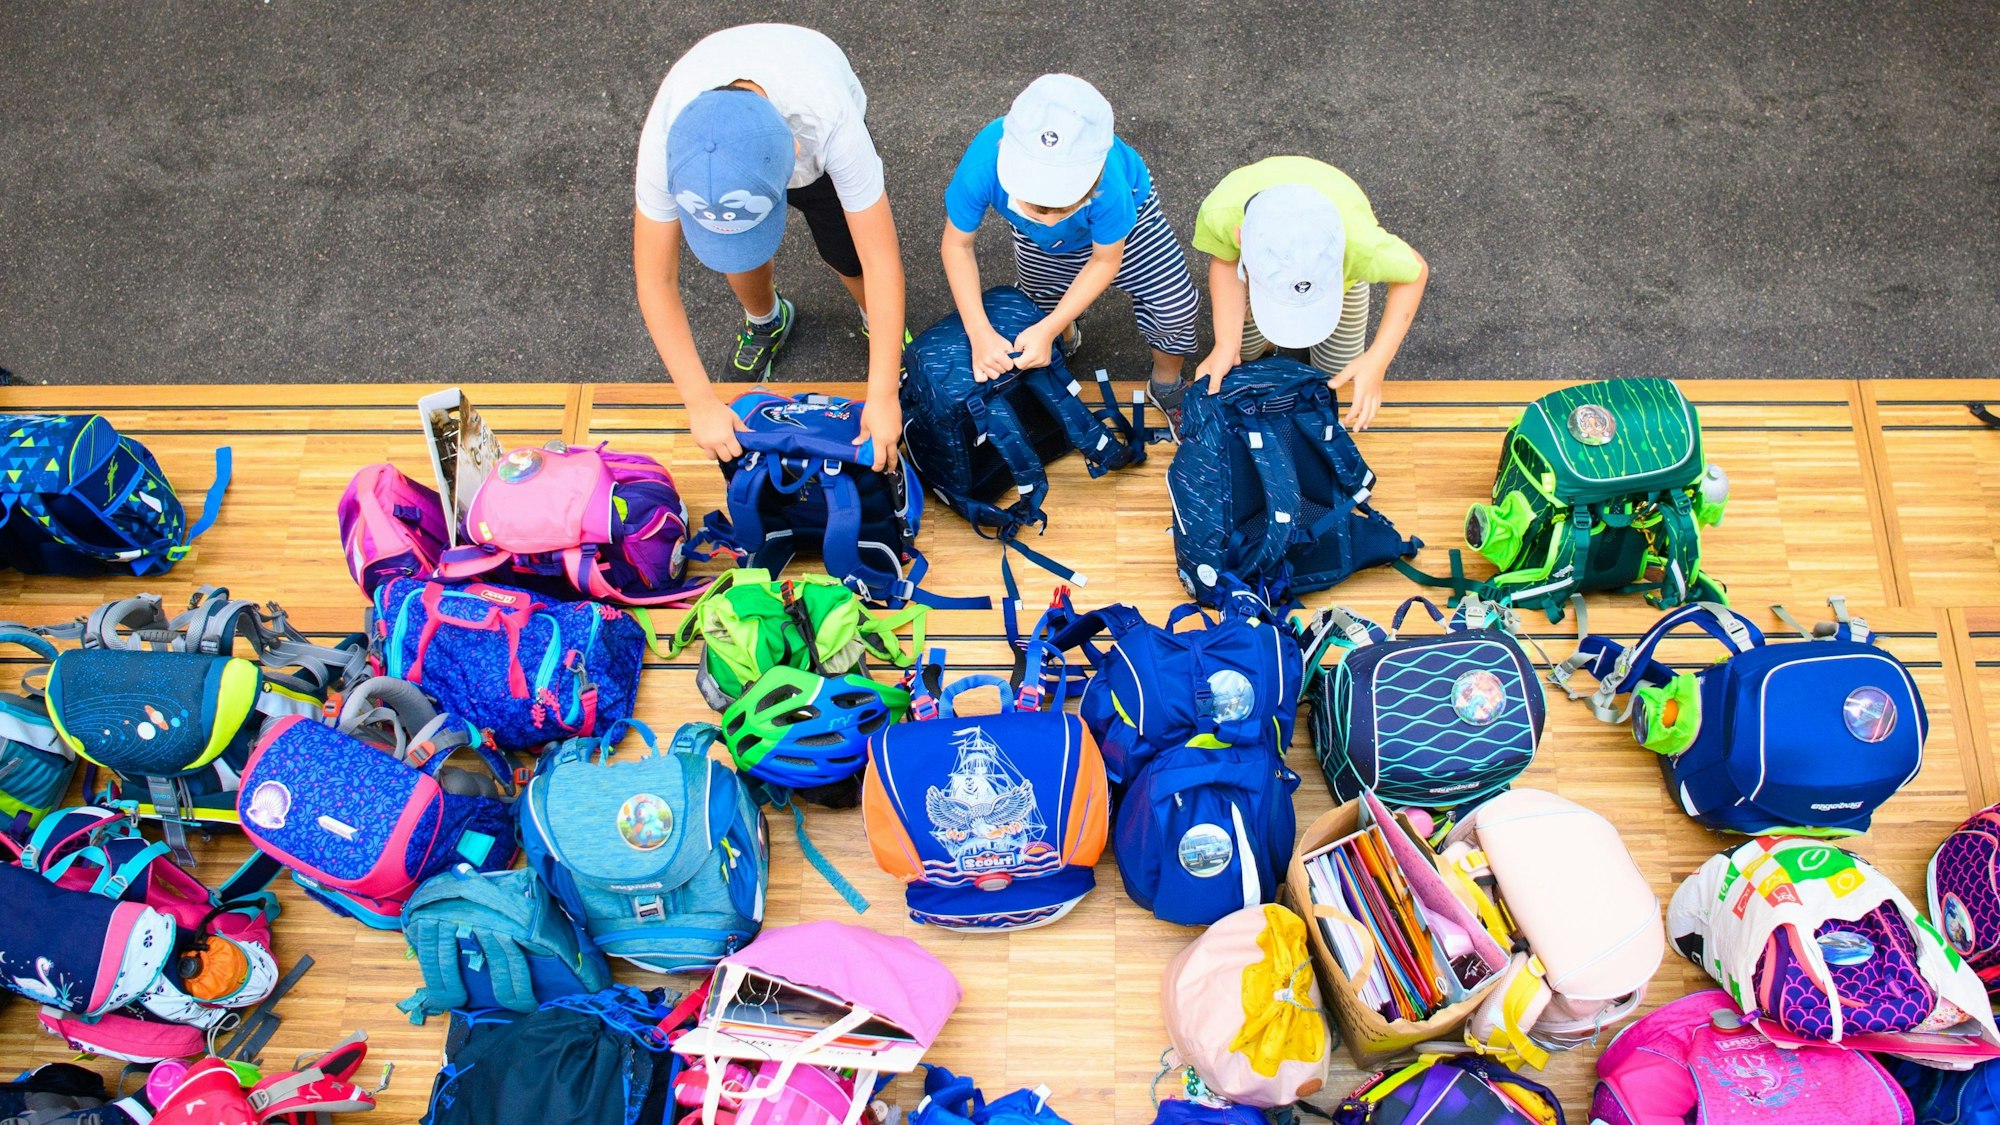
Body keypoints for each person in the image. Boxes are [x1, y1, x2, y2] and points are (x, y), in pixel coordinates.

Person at [632, 23, 904, 468]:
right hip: (743, 135)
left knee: (847, 253)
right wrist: (699, 403)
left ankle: (878, 323)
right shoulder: (668, 143)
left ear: (793, 151)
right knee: (741, 255)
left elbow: (881, 259)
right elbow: (655, 278)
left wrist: (884, 391)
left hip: (813, 117)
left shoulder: (830, 122)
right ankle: (766, 321)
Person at [939, 74, 1199, 413]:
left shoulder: (1110, 184)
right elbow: (956, 246)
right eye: (1035, 206)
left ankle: (1167, 384)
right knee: (1038, 302)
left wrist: (1048, 327)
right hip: (1040, 244)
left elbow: (1106, 260)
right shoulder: (981, 166)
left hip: (1128, 227)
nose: (1049, 220)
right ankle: (1060, 338)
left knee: (1174, 307)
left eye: (1064, 205)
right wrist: (979, 332)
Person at [1179, 155, 1429, 434]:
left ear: (1344, 254)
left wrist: (1377, 360)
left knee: (1337, 367)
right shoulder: (1222, 213)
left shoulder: (1361, 245)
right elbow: (1226, 263)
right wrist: (1226, 343)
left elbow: (1415, 273)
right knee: (1244, 350)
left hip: (1343, 281)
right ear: (1241, 239)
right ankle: (1265, 349)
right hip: (1258, 268)